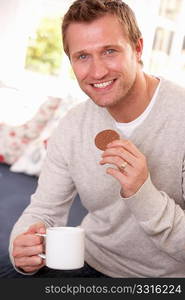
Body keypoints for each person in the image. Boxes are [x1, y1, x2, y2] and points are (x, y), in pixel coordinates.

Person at [7, 0, 185, 278]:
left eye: (110, 51)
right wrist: (23, 247)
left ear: (138, 48)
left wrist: (141, 192)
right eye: (82, 56)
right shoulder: (73, 125)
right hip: (89, 261)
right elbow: (44, 210)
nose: (98, 71)